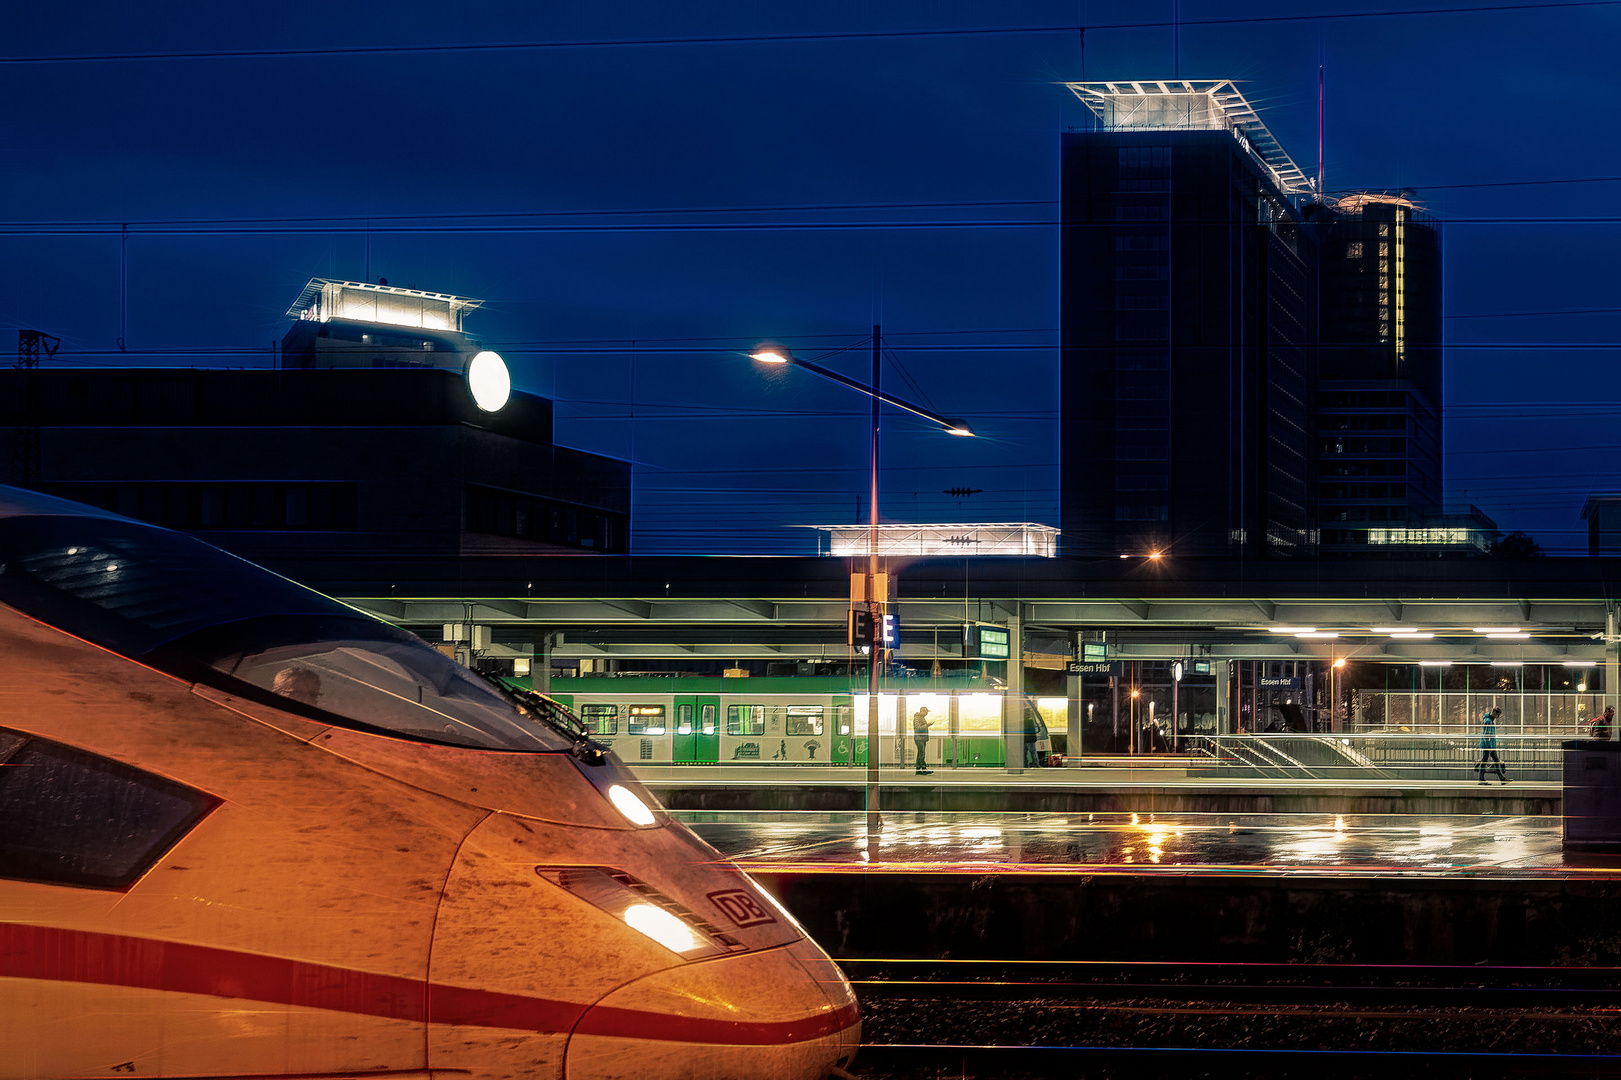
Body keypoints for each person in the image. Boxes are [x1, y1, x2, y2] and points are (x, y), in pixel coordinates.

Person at [1477, 705, 1510, 784]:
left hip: (1489, 745)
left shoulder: (1489, 720)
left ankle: (1500, 778)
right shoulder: (1488, 721)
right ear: (1494, 712)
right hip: (1488, 746)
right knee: (1490, 760)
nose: (1498, 717)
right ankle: (1481, 779)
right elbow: (1486, 735)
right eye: (1497, 715)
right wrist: (1490, 747)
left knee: (1491, 760)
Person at [911, 705, 934, 775]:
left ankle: (918, 769)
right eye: (926, 712)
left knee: (920, 753)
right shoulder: (918, 718)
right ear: (922, 711)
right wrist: (927, 725)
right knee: (922, 753)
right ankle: (923, 768)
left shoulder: (921, 717)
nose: (927, 713)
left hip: (921, 738)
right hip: (919, 738)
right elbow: (917, 727)